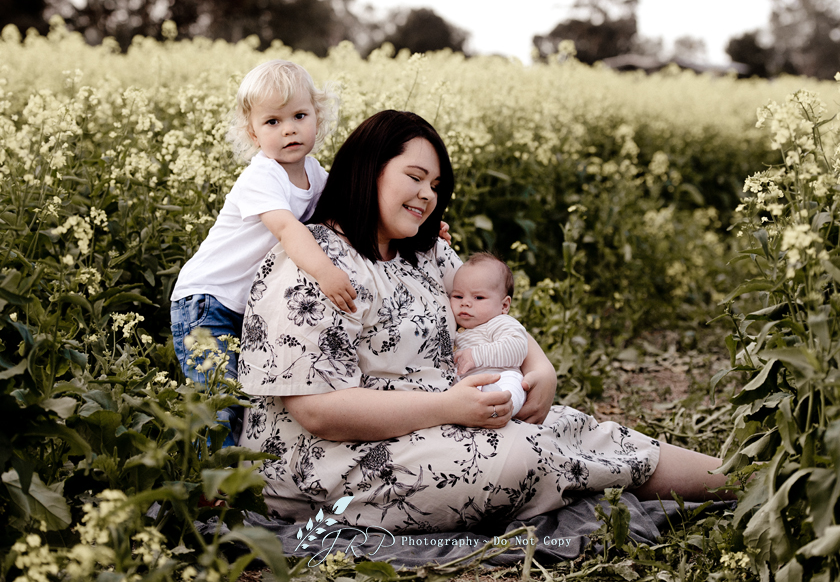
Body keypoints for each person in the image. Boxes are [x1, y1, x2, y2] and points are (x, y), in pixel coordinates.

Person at [237, 110, 732, 532]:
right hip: (331, 462)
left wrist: (540, 367)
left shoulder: (423, 253)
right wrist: (448, 406)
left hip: (434, 424)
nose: (427, 195)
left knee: (574, 427)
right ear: (369, 170)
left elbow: (489, 313)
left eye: (435, 186)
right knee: (524, 453)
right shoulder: (313, 263)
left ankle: (749, 478)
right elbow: (317, 412)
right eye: (415, 177)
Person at [170, 59, 354, 444]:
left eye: (299, 116)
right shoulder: (262, 175)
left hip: (245, 309)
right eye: (273, 122)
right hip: (207, 302)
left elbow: (352, 213)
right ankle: (210, 481)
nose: (289, 129)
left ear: (317, 118)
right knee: (217, 405)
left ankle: (237, 476)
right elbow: (288, 229)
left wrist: (423, 230)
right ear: (253, 134)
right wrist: (325, 272)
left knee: (247, 404)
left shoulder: (315, 173)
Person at [451, 253, 527, 418]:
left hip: (500, 376)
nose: (465, 303)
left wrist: (476, 355)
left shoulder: (499, 322)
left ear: (504, 305)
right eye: (458, 296)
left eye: (478, 297)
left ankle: (502, 407)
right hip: (469, 386)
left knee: (511, 389)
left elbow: (517, 348)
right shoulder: (456, 329)